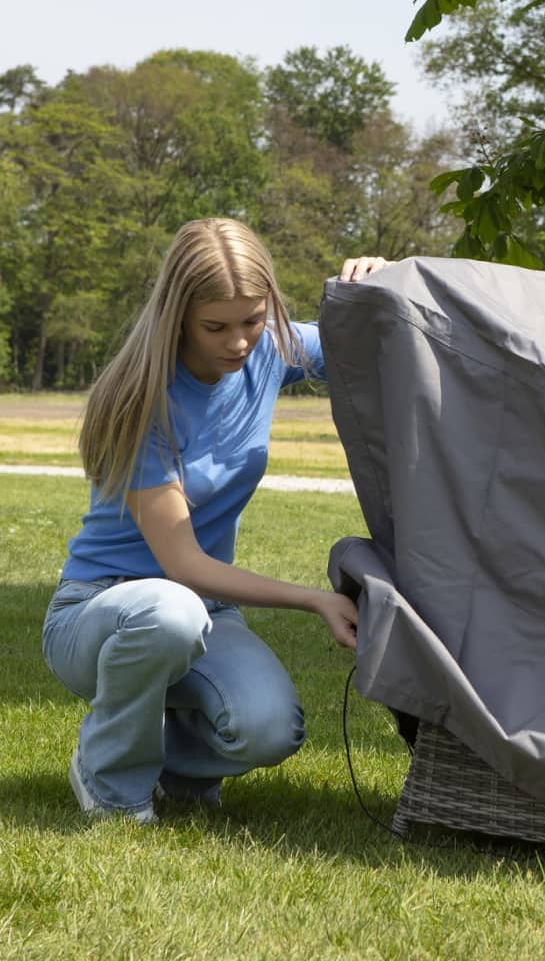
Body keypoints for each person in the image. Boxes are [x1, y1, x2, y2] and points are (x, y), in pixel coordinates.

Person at [42, 217, 391, 822]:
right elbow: (184, 567)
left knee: (270, 730)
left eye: (253, 321)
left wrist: (383, 282)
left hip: (201, 611)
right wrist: (314, 599)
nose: (239, 343)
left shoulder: (268, 352)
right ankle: (110, 782)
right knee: (168, 611)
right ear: (178, 316)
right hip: (101, 612)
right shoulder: (140, 400)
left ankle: (174, 766)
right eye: (217, 327)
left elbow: (370, 342)